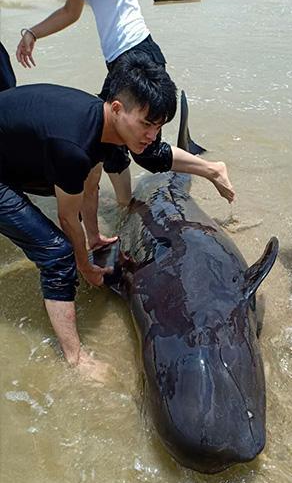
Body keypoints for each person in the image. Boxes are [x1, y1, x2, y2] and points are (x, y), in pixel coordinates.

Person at [0, 53, 234, 375]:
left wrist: (94, 237)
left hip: (15, 149)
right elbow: (68, 219)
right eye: (146, 124)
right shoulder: (73, 146)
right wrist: (83, 263)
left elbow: (92, 184)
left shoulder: (104, 126)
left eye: (159, 126)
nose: (153, 135)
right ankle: (75, 359)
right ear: (117, 109)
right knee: (56, 252)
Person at [14, 0, 223, 220]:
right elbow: (70, 12)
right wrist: (33, 33)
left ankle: (213, 169)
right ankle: (127, 207)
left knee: (147, 155)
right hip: (117, 61)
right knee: (108, 142)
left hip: (139, 52)